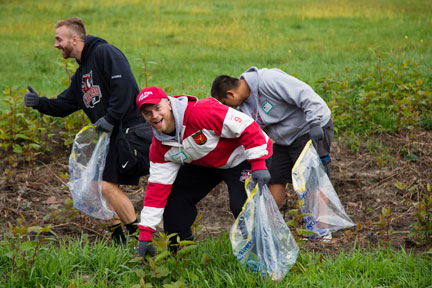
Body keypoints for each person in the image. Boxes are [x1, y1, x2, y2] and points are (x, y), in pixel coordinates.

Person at [24, 17, 152, 244]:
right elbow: (64, 105)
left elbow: (123, 88)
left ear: (75, 39)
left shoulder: (105, 53)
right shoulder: (81, 75)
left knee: (104, 185)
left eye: (59, 39)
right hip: (114, 135)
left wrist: (111, 118)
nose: (56, 45)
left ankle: (140, 240)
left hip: (132, 132)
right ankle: (118, 239)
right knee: (94, 184)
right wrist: (40, 103)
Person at [135, 86, 272, 257]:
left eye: (157, 108)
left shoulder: (202, 112)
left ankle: (262, 257)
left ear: (169, 104)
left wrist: (258, 163)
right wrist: (145, 234)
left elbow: (247, 126)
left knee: (242, 206)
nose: (154, 116)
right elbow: (157, 189)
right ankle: (180, 255)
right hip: (207, 162)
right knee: (175, 198)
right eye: (147, 113)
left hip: (245, 155)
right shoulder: (160, 148)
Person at [211, 67, 334, 208]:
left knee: (312, 179)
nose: (229, 108)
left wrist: (314, 121)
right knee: (275, 176)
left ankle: (321, 228)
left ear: (230, 94)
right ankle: (270, 225)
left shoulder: (268, 80)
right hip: (285, 140)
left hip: (309, 128)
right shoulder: (244, 108)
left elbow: (304, 93)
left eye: (226, 104)